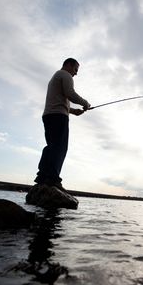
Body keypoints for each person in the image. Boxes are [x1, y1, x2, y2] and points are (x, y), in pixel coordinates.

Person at [34, 58, 91, 191]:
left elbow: (59, 100)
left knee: (52, 146)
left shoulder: (55, 76)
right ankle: (53, 178)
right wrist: (85, 103)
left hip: (49, 115)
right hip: (58, 117)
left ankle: (42, 176)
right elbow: (70, 94)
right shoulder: (65, 75)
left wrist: (72, 111)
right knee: (60, 148)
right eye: (75, 69)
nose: (76, 73)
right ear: (68, 65)